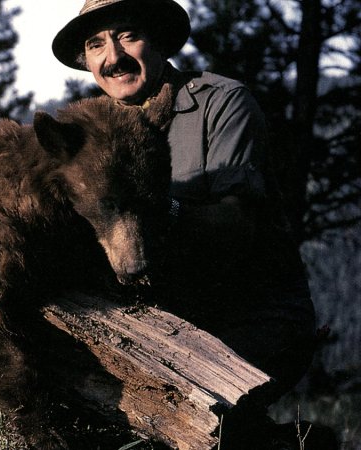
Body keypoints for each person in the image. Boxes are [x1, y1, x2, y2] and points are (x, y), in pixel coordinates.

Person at [52, 0, 317, 432]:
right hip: (161, 319)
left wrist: (155, 208)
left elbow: (239, 227)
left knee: (179, 421)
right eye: (96, 44)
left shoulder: (222, 103)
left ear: (157, 42)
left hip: (249, 316)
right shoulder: (88, 133)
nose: (113, 57)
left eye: (127, 36)